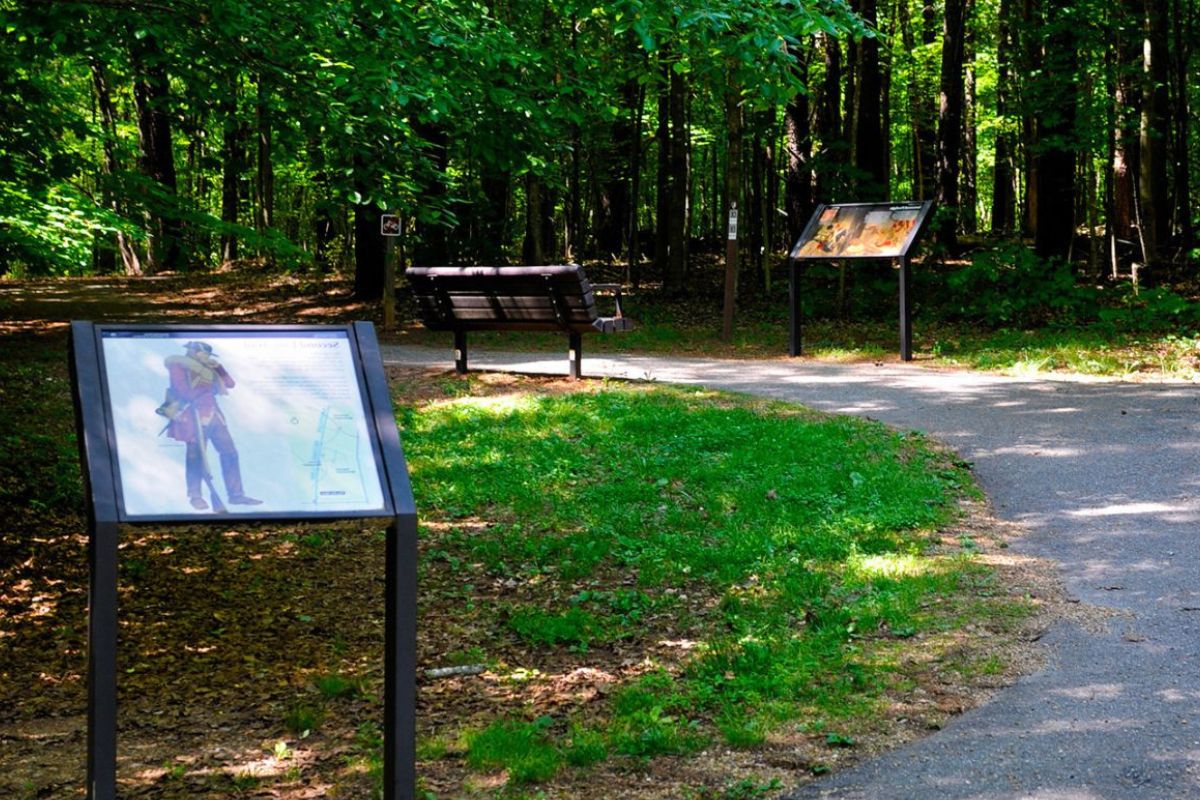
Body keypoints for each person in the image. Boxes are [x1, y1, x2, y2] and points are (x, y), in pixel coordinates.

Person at [159, 341, 261, 510]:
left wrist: (218, 368)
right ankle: (195, 496)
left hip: (214, 414)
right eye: (202, 353)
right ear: (193, 351)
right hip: (192, 415)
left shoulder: (209, 367)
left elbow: (230, 384)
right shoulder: (178, 365)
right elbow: (182, 390)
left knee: (230, 453)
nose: (205, 356)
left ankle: (236, 495)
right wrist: (206, 388)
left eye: (206, 354)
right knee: (195, 457)